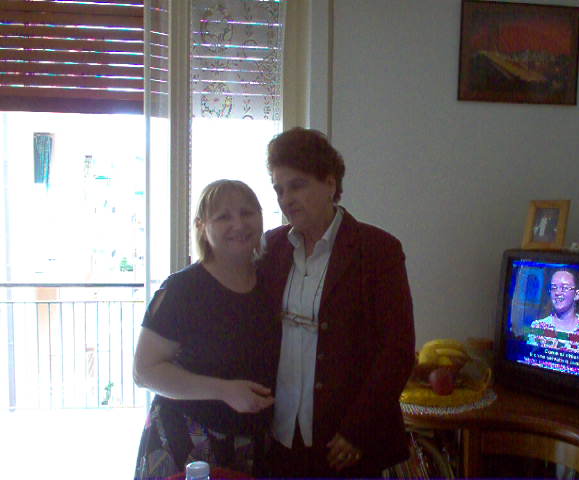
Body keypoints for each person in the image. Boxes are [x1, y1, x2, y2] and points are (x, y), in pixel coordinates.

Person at [258, 127, 416, 478]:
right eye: (279, 189)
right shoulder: (272, 249)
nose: (286, 199)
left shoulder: (377, 250)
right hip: (279, 437)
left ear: (330, 183)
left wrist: (357, 429)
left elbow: (398, 350)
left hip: (345, 444)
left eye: (297, 185)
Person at [132, 180, 280, 479]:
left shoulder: (272, 281)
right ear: (202, 226)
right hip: (187, 440)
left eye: (247, 212)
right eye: (223, 216)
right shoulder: (183, 289)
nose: (239, 224)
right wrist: (224, 390)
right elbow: (144, 372)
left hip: (255, 441)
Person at [526, 268, 579, 378]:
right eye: (554, 288)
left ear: (577, 294)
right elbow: (528, 368)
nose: (557, 293)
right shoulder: (538, 326)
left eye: (564, 288)